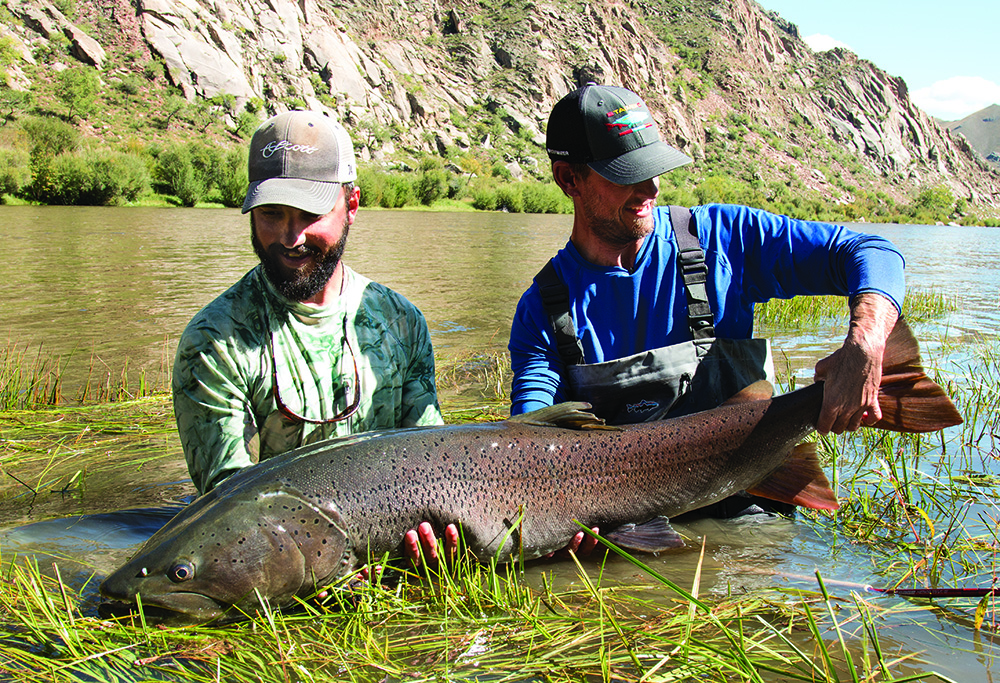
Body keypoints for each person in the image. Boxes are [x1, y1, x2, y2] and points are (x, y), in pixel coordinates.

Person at [508, 83, 905, 554]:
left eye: (654, 169)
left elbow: (870, 252)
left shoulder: (724, 239)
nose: (650, 188)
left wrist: (866, 341)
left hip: (749, 505)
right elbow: (530, 440)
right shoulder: (542, 308)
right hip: (627, 532)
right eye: (625, 174)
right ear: (567, 178)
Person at [172, 110, 444, 498]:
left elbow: (432, 462)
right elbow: (230, 504)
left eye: (311, 214)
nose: (290, 237)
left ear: (351, 205)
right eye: (271, 213)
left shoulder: (402, 322)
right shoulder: (214, 342)